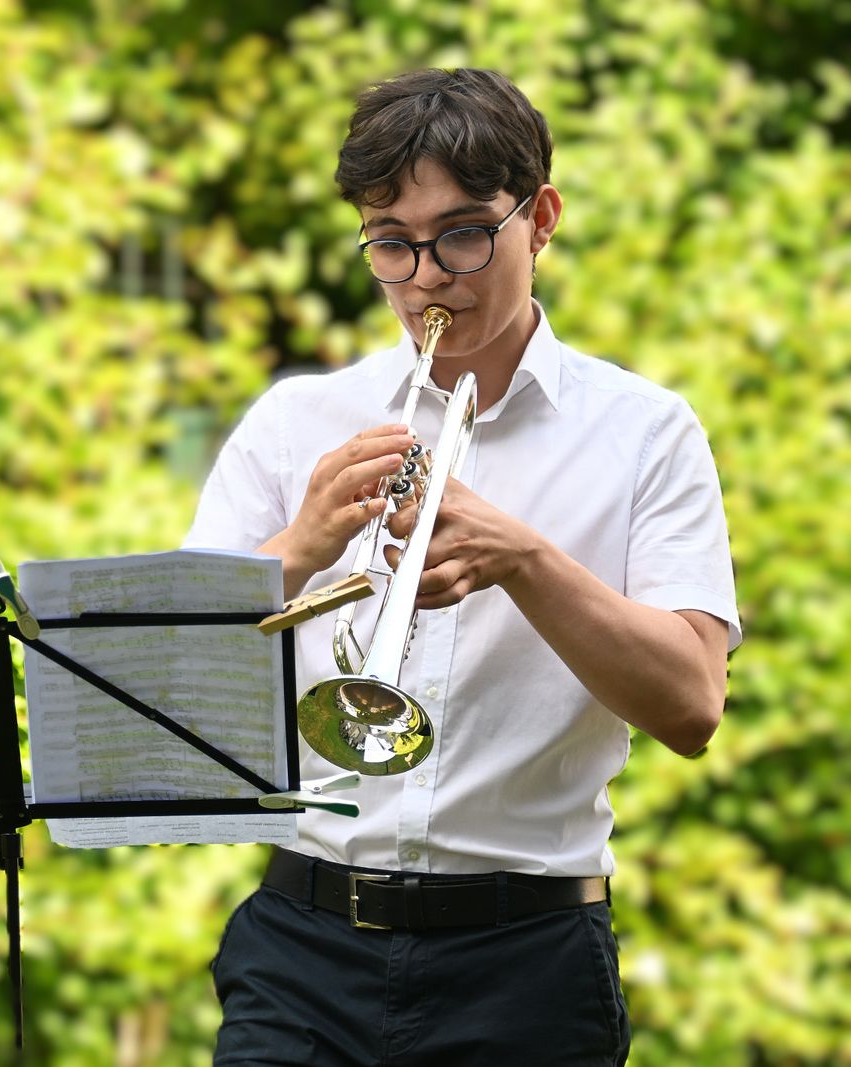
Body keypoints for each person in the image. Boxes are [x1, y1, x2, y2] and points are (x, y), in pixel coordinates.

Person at [185, 69, 740, 1066]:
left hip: (527, 955)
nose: (426, 276)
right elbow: (170, 678)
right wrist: (302, 547)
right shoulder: (292, 424)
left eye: (463, 233)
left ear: (542, 219)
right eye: (390, 241)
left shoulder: (645, 432)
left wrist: (523, 557)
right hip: (304, 941)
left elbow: (692, 704)